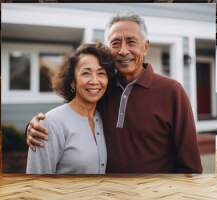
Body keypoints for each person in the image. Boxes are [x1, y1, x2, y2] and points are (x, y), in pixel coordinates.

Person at [26, 12, 203, 173]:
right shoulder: (103, 89)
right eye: (115, 43)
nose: (123, 50)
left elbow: (190, 167)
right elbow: (71, 115)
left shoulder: (172, 92)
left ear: (145, 47)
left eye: (131, 42)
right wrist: (35, 126)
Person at [26, 43, 115, 174]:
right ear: (73, 81)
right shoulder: (49, 124)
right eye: (86, 73)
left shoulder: (102, 118)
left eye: (101, 73)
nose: (95, 81)